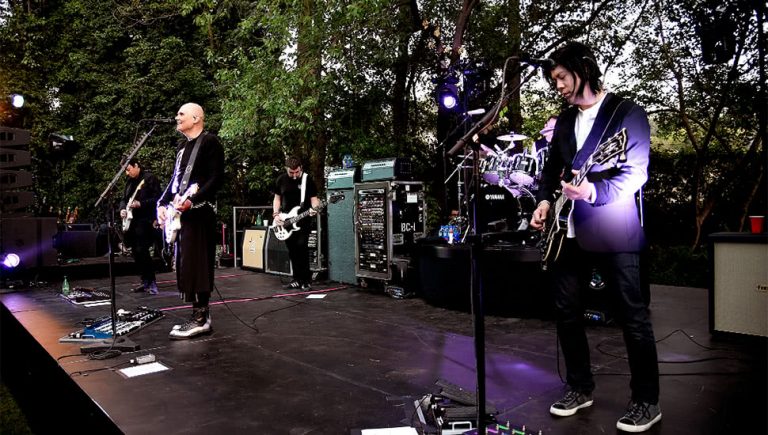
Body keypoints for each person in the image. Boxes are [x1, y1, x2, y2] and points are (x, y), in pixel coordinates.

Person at [529, 41, 661, 432]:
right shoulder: (566, 121)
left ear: (582, 69)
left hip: (613, 229)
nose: (558, 86)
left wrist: (593, 192)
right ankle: (580, 387)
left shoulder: (626, 114)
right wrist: (543, 203)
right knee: (566, 312)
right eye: (554, 80)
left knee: (632, 318)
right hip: (567, 231)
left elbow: (636, 173)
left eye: (561, 77)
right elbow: (551, 172)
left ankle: (647, 401)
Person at [157, 103, 224, 340]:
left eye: (181, 114)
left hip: (200, 212)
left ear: (196, 118)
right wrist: (162, 205)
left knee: (198, 265)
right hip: (182, 215)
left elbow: (216, 178)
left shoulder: (210, 142)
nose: (177, 117)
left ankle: (202, 318)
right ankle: (196, 315)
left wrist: (193, 199)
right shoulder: (182, 146)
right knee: (186, 266)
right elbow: (175, 181)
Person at [271, 156, 321, 290]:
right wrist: (276, 214)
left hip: (303, 220)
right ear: (286, 169)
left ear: (301, 168)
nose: (294, 176)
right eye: (291, 172)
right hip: (286, 221)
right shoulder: (280, 180)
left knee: (302, 248)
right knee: (292, 251)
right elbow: (277, 199)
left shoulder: (307, 180)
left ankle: (306, 280)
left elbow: (314, 200)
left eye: (296, 172)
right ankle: (296, 279)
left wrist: (315, 209)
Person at [119, 159, 162, 294]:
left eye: (128, 169)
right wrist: (122, 209)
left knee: (142, 250)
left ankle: (152, 281)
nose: (127, 173)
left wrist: (141, 204)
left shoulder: (149, 178)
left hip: (145, 220)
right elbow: (123, 199)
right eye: (125, 170)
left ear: (136, 165)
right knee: (136, 252)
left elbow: (158, 198)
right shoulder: (129, 182)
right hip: (132, 221)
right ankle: (144, 281)